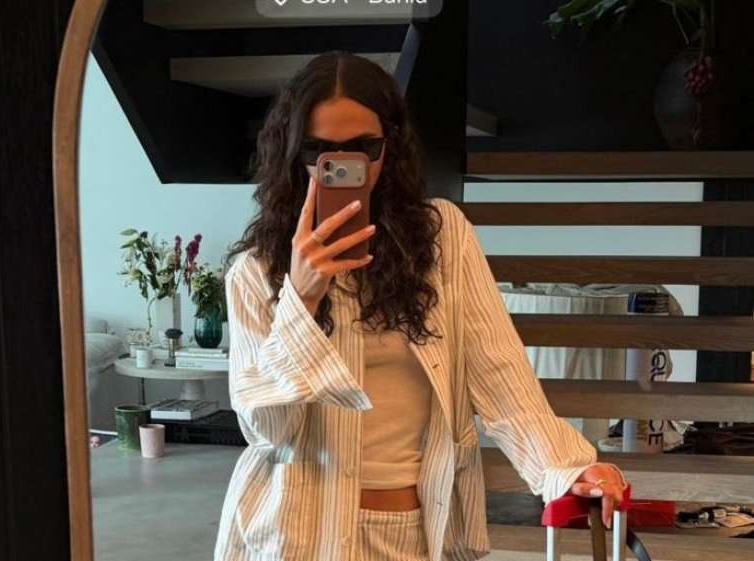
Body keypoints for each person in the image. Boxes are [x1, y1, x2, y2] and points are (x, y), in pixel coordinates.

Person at [214, 51, 627, 561]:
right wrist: (300, 298)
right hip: (293, 535)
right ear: (291, 150)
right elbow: (267, 431)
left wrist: (565, 466)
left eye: (363, 147)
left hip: (415, 530)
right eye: (318, 150)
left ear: (390, 145)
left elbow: (499, 372)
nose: (342, 165)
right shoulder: (256, 272)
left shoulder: (442, 239)